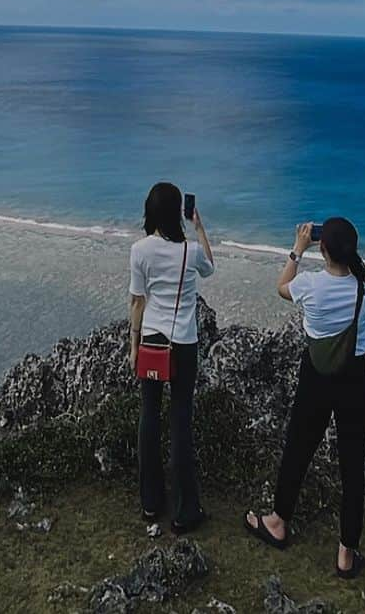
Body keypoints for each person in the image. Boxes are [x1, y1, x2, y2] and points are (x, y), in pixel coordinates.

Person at [245, 216, 365, 580]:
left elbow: (281, 286)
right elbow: (356, 284)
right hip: (355, 377)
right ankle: (345, 555)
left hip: (316, 374)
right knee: (352, 466)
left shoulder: (310, 286)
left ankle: (277, 522)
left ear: (322, 248)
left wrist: (296, 250)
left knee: (299, 447)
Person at [128, 182, 215, 534]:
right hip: (183, 344)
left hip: (152, 339)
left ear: (149, 211)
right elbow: (210, 266)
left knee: (149, 416)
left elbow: (137, 302)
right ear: (179, 211)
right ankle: (184, 511)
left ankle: (150, 502)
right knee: (181, 422)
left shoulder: (139, 250)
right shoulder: (190, 251)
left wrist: (133, 346)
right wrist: (199, 226)